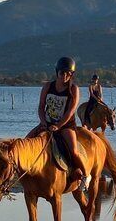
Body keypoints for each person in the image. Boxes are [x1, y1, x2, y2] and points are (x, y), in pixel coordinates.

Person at [27, 56, 89, 192]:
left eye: (69, 73)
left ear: (72, 75)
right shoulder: (48, 86)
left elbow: (71, 110)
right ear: (57, 72)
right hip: (46, 123)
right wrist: (44, 122)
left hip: (66, 125)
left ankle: (85, 176)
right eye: (62, 73)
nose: (65, 76)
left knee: (73, 151)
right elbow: (41, 106)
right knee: (26, 141)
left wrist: (59, 125)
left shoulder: (73, 90)